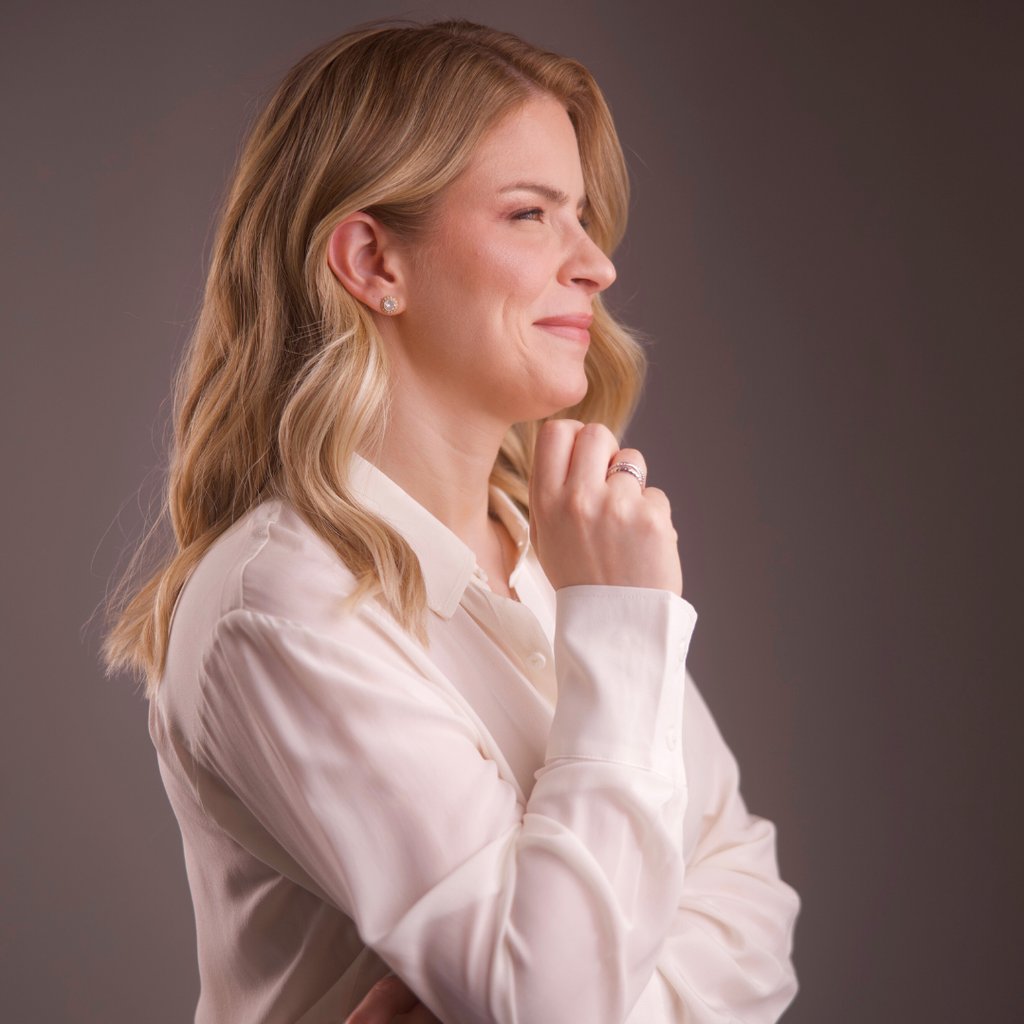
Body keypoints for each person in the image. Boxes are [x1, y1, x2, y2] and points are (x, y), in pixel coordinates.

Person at [102, 18, 800, 1024]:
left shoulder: (558, 548)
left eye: (582, 216)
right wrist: (619, 623)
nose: (595, 265)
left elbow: (752, 900)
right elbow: (554, 1002)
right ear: (372, 261)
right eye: (531, 214)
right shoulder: (284, 605)